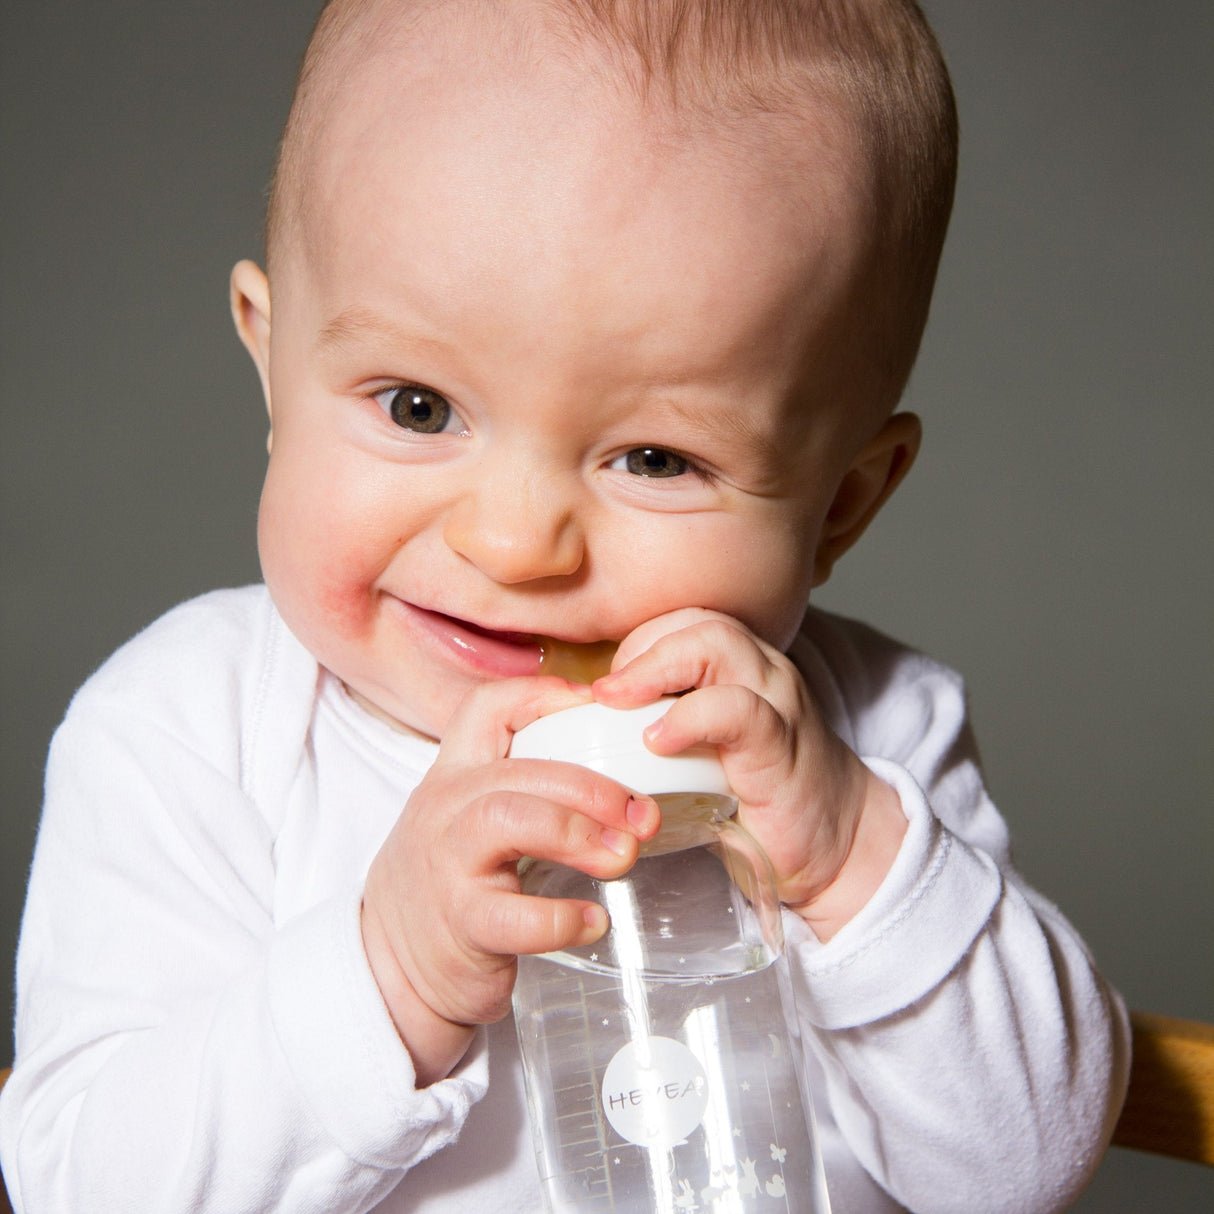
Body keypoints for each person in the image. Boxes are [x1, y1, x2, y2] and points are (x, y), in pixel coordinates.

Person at [0, 1, 1129, 1210]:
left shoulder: (864, 740)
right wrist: (387, 970)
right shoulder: (187, 730)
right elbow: (82, 1185)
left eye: (655, 458)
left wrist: (851, 855)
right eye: (418, 406)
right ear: (274, 365)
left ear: (840, 505)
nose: (510, 541)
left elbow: (1027, 1167)